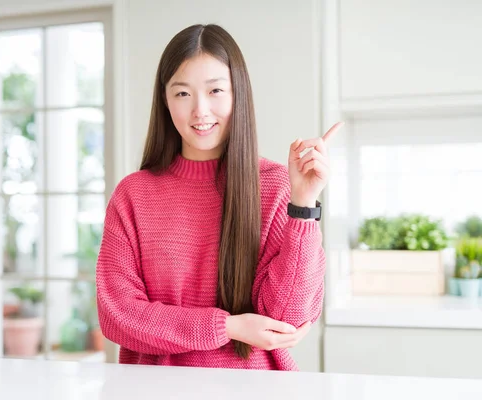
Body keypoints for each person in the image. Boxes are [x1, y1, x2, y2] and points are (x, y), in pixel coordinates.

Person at [95, 23, 342, 370]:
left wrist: (303, 205)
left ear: (238, 93)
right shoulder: (133, 195)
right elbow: (118, 315)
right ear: (164, 101)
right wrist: (228, 327)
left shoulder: (274, 186)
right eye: (182, 94)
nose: (200, 111)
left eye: (215, 91)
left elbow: (285, 318)